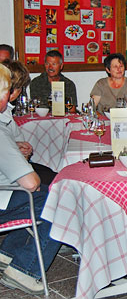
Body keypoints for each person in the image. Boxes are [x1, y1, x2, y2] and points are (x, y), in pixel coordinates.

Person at [0, 64, 61, 295]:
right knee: (58, 198)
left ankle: (7, 252)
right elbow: (30, 183)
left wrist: (12, 150)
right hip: (3, 196)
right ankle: (25, 270)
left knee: (43, 192)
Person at [4, 61, 57, 186]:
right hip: (11, 180)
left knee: (53, 175)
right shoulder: (3, 113)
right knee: (56, 183)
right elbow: (31, 184)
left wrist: (17, 146)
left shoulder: (6, 110)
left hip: (16, 167)